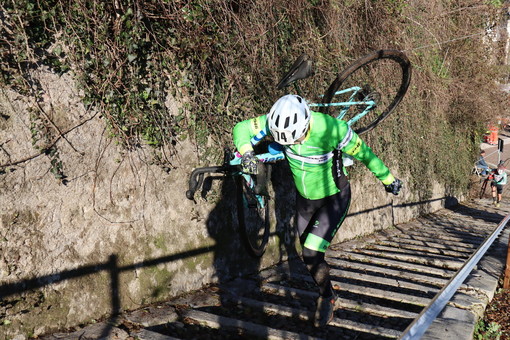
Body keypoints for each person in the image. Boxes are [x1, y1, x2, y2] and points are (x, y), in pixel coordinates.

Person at [232, 94, 402, 327]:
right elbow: (241, 128)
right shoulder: (276, 120)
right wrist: (247, 151)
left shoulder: (333, 129)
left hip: (334, 198)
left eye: (297, 139)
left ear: (306, 123)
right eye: (287, 142)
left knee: (311, 252)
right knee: (310, 257)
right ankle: (329, 291)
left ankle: (327, 298)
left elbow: (366, 154)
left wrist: (388, 179)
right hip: (304, 200)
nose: (293, 144)